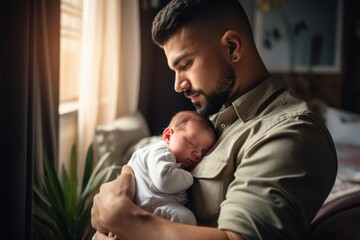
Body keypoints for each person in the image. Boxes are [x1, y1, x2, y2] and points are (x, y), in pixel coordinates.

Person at [91, 0, 338, 239]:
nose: (178, 85)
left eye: (185, 64)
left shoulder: (289, 133)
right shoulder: (210, 117)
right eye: (174, 71)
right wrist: (113, 196)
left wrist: (126, 219)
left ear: (232, 47)